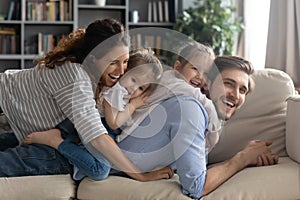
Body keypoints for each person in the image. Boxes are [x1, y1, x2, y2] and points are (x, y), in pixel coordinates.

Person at [0, 18, 173, 181]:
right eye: (113, 62)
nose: (121, 71)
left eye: (125, 61)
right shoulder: (75, 76)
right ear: (93, 58)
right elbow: (96, 136)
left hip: (15, 123)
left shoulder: (101, 78)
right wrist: (141, 175)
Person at [112, 55, 278, 199]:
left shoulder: (203, 117)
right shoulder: (190, 110)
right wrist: (243, 158)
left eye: (242, 90)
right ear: (207, 83)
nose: (235, 95)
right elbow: (196, 187)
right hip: (111, 170)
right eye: (228, 83)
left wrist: (251, 155)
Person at [24, 48, 164, 181]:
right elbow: (113, 123)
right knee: (99, 170)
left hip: (88, 126)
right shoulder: (116, 91)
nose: (133, 89)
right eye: (133, 80)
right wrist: (133, 105)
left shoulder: (123, 92)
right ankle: (55, 141)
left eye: (141, 88)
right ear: (125, 72)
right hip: (97, 127)